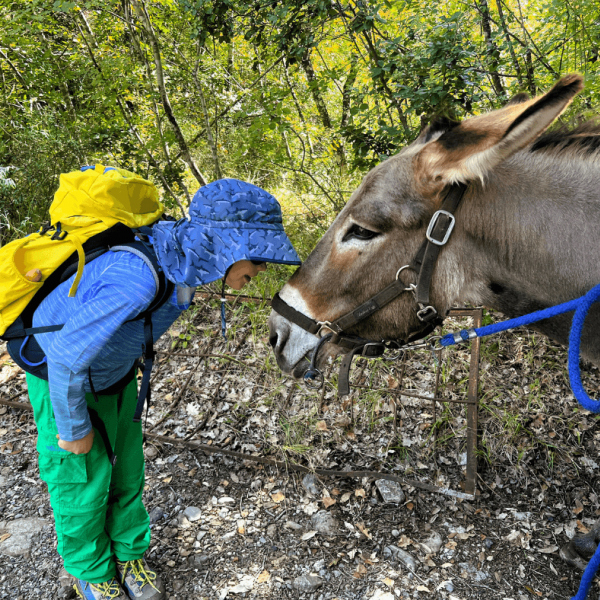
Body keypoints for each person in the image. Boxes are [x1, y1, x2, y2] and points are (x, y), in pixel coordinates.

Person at [16, 178, 301, 600]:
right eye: (258, 258)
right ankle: (90, 570)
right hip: (64, 382)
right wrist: (73, 428)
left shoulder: (181, 261)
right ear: (225, 245)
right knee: (80, 478)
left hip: (114, 375)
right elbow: (65, 356)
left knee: (127, 468)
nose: (261, 270)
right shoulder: (138, 278)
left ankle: (129, 553)